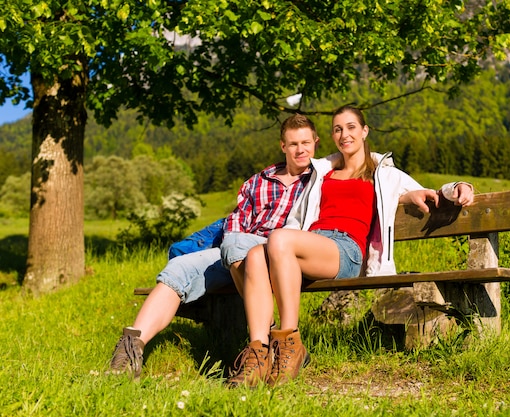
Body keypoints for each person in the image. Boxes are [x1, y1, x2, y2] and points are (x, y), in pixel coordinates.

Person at [227, 105, 474, 387]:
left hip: (345, 250)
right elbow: (298, 216)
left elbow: (426, 190)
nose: (344, 134)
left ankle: (290, 345)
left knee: (279, 239)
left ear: (365, 131)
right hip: (312, 245)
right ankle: (258, 355)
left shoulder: (382, 173)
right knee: (256, 255)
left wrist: (459, 187)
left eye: (351, 127)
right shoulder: (322, 172)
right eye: (337, 129)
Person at [109, 114, 325, 379]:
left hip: (281, 252)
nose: (300, 149)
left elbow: (357, 159)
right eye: (293, 144)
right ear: (283, 146)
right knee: (179, 267)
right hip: (238, 250)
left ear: (315, 142)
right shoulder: (258, 181)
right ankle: (130, 350)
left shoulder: (321, 179)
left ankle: (263, 343)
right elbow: (236, 222)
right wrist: (234, 244)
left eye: (306, 142)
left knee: (237, 243)